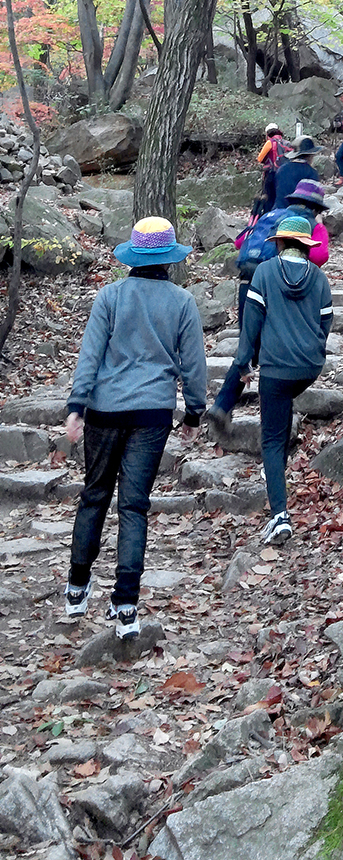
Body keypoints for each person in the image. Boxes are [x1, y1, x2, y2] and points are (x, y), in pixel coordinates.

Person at [63, 218, 206, 639]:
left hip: (105, 410)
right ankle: (126, 604)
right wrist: (194, 413)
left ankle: (76, 588)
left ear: (134, 256)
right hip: (152, 413)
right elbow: (193, 365)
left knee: (94, 496)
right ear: (168, 259)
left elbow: (90, 354)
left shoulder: (110, 296)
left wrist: (77, 405)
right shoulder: (182, 303)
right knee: (133, 505)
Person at [228, 214, 333, 544]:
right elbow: (325, 325)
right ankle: (275, 474)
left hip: (276, 367)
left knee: (272, 440)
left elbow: (252, 323)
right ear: (305, 245)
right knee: (282, 410)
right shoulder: (319, 279)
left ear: (281, 243)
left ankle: (280, 517)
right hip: (309, 366)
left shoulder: (265, 272)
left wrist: (243, 363)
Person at [206, 180, 330, 431]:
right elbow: (320, 256)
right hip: (277, 286)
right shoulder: (310, 226)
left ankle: (222, 405)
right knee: (275, 343)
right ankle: (276, 405)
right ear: (315, 207)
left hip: (248, 283)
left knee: (249, 345)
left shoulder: (271, 215)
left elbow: (240, 243)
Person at [272, 135, 322, 209]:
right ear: (310, 155)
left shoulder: (281, 169)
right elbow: (312, 200)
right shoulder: (311, 173)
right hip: (297, 215)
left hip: (277, 211)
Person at [256, 122, 288, 211]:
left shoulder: (270, 142)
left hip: (271, 173)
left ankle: (267, 215)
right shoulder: (286, 143)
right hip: (285, 174)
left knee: (268, 197)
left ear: (267, 134)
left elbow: (260, 158)